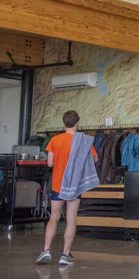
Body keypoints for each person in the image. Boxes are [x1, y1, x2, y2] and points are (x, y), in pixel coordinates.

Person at [36, 110, 99, 266]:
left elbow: (50, 163)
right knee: (71, 220)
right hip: (74, 185)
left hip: (58, 184)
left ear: (64, 123)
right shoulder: (83, 141)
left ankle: (46, 251)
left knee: (54, 218)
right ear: (77, 122)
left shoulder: (55, 140)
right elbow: (95, 159)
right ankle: (65, 255)